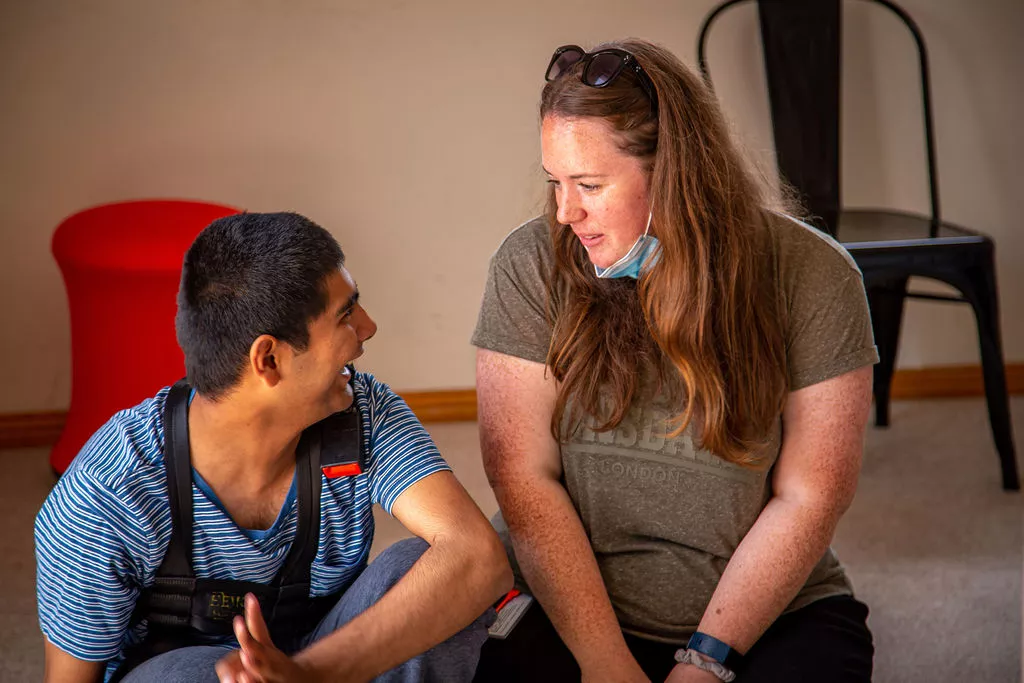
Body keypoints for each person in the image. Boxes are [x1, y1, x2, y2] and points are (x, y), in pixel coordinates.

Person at [471, 40, 877, 683]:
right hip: (572, 612)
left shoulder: (816, 276)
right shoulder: (528, 265)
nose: (564, 211)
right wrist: (605, 664)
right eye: (556, 182)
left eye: (591, 185)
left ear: (675, 173)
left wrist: (705, 662)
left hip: (765, 617)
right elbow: (523, 481)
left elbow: (811, 495)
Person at [36, 211, 512, 683]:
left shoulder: (361, 412)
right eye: (346, 313)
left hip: (323, 664)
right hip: (191, 671)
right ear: (269, 358)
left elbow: (477, 558)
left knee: (427, 574)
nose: (368, 326)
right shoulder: (105, 496)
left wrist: (306, 674)